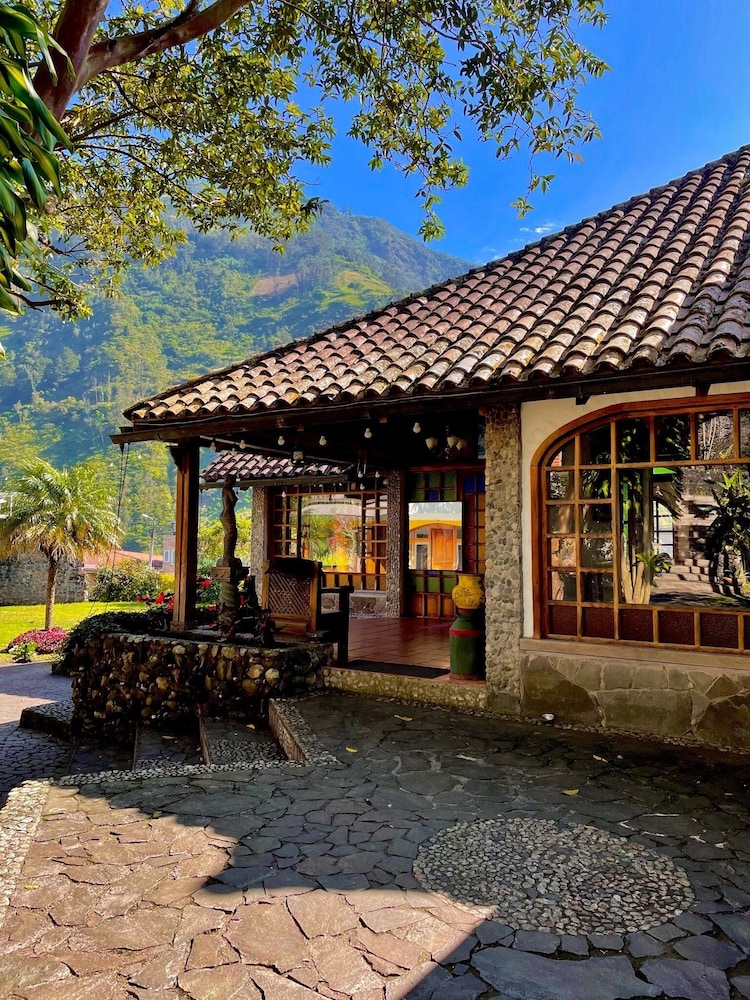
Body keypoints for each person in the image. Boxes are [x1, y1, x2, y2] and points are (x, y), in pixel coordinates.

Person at [220, 474, 238, 562]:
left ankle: (229, 554)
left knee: (231, 534)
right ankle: (227, 555)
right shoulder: (228, 489)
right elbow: (233, 499)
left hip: (226, 513)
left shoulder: (225, 489)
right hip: (228, 513)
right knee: (231, 534)